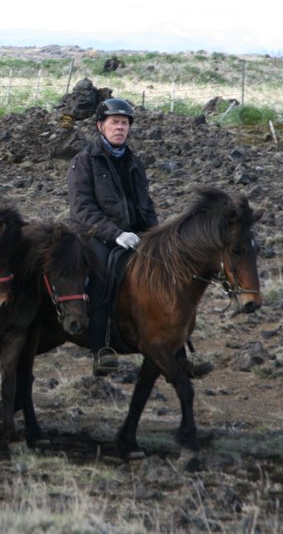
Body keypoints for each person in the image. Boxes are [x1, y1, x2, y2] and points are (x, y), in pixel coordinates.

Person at [67, 97, 213, 378]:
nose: (120, 128)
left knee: (169, 276)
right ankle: (101, 347)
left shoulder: (134, 162)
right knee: (104, 276)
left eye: (124, 123)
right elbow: (82, 209)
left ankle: (179, 354)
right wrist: (116, 234)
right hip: (93, 236)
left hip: (134, 236)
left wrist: (157, 238)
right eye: (114, 122)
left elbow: (145, 206)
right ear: (100, 126)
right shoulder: (83, 161)